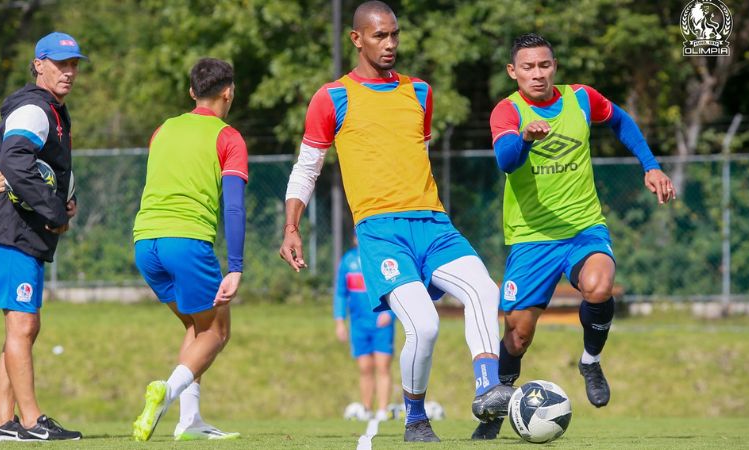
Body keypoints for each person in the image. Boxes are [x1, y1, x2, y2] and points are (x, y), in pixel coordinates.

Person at [280, 1, 512, 442]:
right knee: (424, 326)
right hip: (381, 232)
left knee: (484, 289)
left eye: (395, 35)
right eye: (380, 36)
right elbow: (307, 167)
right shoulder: (332, 97)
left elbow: (417, 152)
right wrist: (292, 226)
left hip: (434, 224)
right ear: (357, 39)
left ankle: (488, 390)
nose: (390, 44)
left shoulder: (420, 92)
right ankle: (415, 417)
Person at [478, 33, 677, 439]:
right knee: (517, 335)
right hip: (531, 238)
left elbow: (620, 120)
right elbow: (505, 162)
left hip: (583, 228)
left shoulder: (581, 98)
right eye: (528, 67)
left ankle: (590, 361)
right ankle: (497, 409)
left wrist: (650, 165)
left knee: (599, 286)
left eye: (545, 65)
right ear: (512, 71)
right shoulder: (507, 111)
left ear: (555, 66)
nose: (538, 74)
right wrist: (526, 141)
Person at [0, 31, 84, 442]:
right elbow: (16, 162)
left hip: (21, 233)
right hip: (10, 232)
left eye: (73, 65)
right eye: (59, 63)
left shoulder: (53, 111)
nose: (68, 72)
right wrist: (53, 211)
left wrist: (65, 199)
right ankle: (32, 420)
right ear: (38, 64)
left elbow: (45, 169)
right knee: (22, 324)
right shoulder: (34, 108)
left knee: (24, 327)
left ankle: (2, 421)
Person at [131, 57, 247, 442]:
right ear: (228, 92)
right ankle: (167, 392)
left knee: (195, 326)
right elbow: (233, 205)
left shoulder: (161, 131)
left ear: (191, 92)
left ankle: (190, 421)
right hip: (187, 241)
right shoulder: (228, 137)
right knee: (217, 330)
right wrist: (235, 266)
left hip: (145, 242)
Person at [334, 237, 394, 421]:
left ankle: (383, 410)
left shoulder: (383, 260)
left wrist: (390, 313)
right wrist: (340, 321)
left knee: (383, 366)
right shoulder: (348, 261)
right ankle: (367, 408)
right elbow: (340, 294)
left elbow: (396, 289)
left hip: (381, 324)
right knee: (364, 367)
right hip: (358, 325)